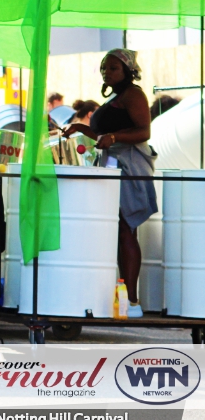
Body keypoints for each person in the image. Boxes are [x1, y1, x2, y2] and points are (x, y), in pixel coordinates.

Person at [63, 48, 155, 318]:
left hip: (130, 164)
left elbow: (144, 131)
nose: (107, 72)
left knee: (126, 229)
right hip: (112, 164)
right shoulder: (118, 96)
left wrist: (113, 138)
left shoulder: (134, 94)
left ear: (128, 70)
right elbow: (102, 134)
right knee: (114, 230)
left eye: (113, 67)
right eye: (104, 67)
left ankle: (133, 302)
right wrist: (81, 129)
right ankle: (122, 296)